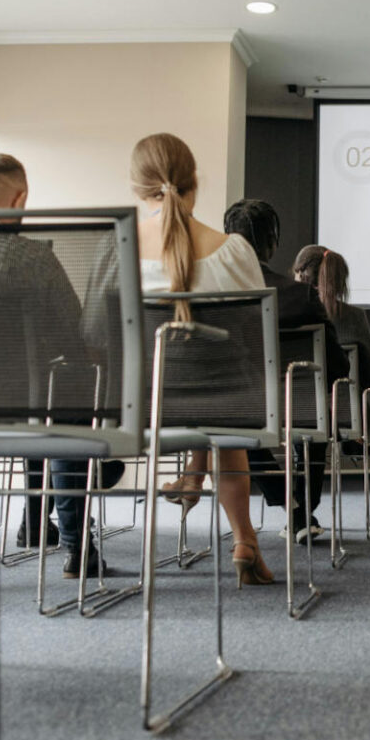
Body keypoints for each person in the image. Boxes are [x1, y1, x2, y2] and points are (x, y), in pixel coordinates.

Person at [0, 152, 120, 577]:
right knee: (70, 389)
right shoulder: (31, 259)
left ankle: (36, 523)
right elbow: (77, 340)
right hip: (20, 409)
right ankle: (77, 548)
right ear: (19, 202)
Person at [129, 134, 275, 585]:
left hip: (143, 408)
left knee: (218, 404)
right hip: (226, 405)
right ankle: (244, 539)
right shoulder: (234, 249)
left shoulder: (116, 250)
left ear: (138, 188)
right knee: (226, 419)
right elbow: (254, 337)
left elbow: (93, 332)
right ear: (194, 182)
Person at [223, 199, 348, 543]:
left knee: (237, 426)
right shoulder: (300, 296)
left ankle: (289, 505)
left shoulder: (215, 294)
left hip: (230, 410)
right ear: (272, 243)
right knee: (314, 411)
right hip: (296, 408)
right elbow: (337, 365)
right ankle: (301, 510)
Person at [291, 244, 370, 392]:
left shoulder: (287, 315)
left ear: (300, 275)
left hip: (293, 403)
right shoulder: (355, 317)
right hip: (342, 404)